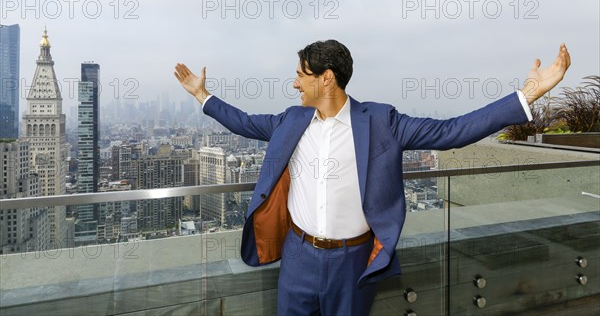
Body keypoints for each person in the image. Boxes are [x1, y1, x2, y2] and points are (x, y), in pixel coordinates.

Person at [174, 40, 570, 315]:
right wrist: (201, 95)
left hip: (353, 260)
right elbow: (242, 122)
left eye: (301, 75)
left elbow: (452, 131)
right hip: (296, 256)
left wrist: (528, 94)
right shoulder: (290, 120)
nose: (294, 83)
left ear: (326, 78)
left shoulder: (382, 122)